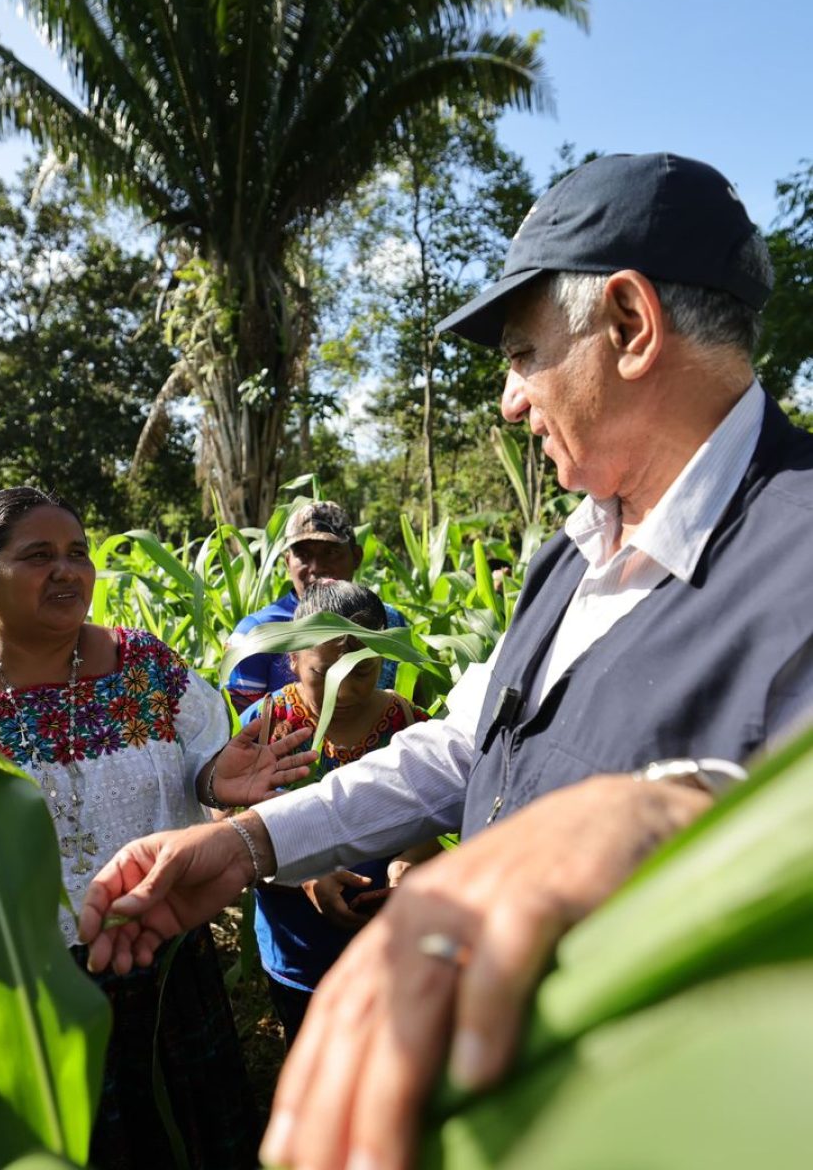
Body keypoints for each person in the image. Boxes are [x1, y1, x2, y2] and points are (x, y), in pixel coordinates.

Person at [78, 153, 813, 1167]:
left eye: (523, 354)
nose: (511, 400)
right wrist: (249, 843)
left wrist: (669, 811)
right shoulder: (571, 556)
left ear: (629, 325)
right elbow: (464, 747)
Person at [0, 486, 316, 1170]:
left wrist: (215, 779)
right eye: (38, 556)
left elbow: (200, 762)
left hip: (157, 968)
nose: (66, 570)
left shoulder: (146, 666)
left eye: (77, 553)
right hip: (21, 990)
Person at [240, 581, 432, 1046]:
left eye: (362, 671)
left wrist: (411, 860)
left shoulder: (409, 726)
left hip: (388, 942)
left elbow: (432, 815)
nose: (343, 690)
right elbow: (231, 823)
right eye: (324, 673)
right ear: (292, 659)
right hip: (300, 950)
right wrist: (304, 873)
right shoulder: (265, 727)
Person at [224, 500, 407, 711]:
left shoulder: (389, 622)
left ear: (356, 557)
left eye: (331, 553)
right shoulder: (256, 634)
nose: (316, 567)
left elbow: (410, 698)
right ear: (287, 562)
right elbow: (237, 723)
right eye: (303, 555)